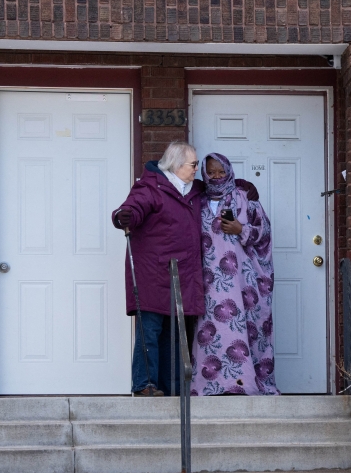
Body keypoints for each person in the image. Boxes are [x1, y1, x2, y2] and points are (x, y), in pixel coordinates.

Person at [111, 142, 259, 397]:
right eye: (193, 165)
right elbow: (131, 208)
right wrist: (122, 216)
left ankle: (172, 389)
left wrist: (242, 185)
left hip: (181, 276)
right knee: (150, 331)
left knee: (175, 335)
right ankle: (144, 384)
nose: (196, 170)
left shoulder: (193, 189)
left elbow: (216, 185)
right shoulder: (150, 188)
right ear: (177, 165)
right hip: (153, 273)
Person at [190, 153, 279, 396]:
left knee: (246, 329)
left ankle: (246, 384)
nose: (217, 176)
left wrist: (242, 229)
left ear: (229, 171)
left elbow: (266, 233)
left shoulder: (244, 198)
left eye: (221, 171)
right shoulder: (197, 201)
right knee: (212, 331)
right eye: (211, 172)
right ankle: (212, 385)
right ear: (204, 174)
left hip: (243, 283)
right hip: (210, 282)